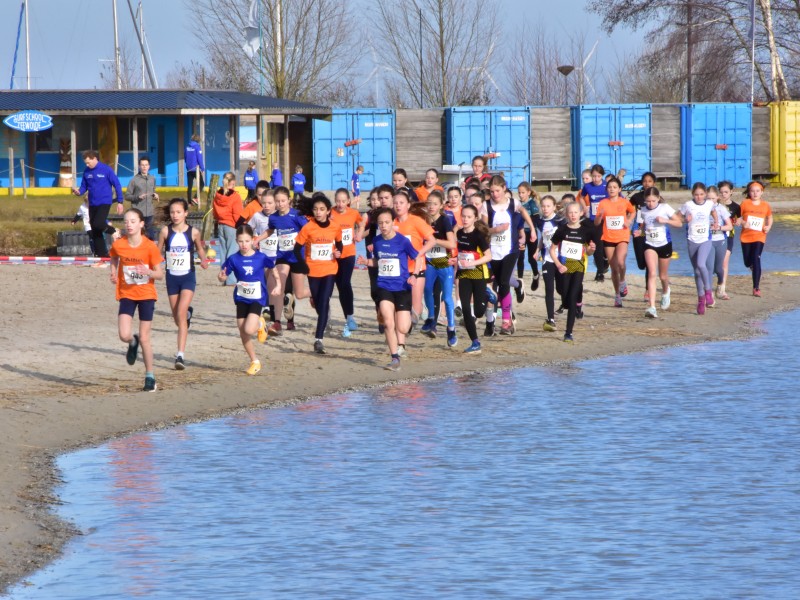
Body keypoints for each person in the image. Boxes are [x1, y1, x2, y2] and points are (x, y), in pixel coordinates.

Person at [357, 207, 422, 371]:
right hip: (384, 286)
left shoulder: (403, 241)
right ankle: (394, 358)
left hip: (401, 287)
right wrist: (366, 262)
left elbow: (418, 257)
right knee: (387, 321)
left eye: (387, 222)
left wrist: (414, 274)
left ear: (393, 222)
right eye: (380, 223)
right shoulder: (377, 242)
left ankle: (411, 315)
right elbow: (379, 262)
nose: (384, 225)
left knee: (403, 328)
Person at [109, 208, 165, 391]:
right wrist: (113, 272)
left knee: (145, 337)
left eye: (133, 221)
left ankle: (150, 377)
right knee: (124, 334)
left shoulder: (150, 247)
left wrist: (147, 272)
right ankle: (131, 342)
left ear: (141, 224)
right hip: (127, 293)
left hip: (146, 295)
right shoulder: (120, 244)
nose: (129, 225)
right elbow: (114, 257)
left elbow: (160, 274)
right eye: (126, 222)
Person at [157, 198, 212, 369]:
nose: (175, 215)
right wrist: (154, 266)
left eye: (178, 212)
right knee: (177, 318)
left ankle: (180, 355)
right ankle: (187, 315)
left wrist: (203, 260)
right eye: (172, 212)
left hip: (188, 277)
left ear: (186, 214)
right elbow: (157, 252)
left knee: (180, 313)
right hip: (171, 278)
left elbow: (200, 248)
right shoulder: (165, 232)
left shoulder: (193, 232)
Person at [218, 224, 273, 375]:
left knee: (249, 329)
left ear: (253, 240)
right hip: (241, 298)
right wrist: (221, 277)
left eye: (247, 241)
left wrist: (279, 284)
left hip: (257, 298)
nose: (244, 245)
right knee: (243, 332)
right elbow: (222, 273)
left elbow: (272, 267)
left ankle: (261, 323)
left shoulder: (260, 257)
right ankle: (254, 361)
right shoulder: (234, 259)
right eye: (241, 241)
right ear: (236, 241)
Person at [294, 193, 343, 354]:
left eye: (322, 209)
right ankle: (323, 315)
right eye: (315, 209)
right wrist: (302, 265)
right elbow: (296, 249)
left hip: (330, 269)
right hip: (313, 270)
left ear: (328, 211)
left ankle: (318, 339)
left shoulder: (335, 227)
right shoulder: (308, 227)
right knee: (319, 303)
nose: (318, 212)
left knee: (324, 299)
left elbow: (340, 244)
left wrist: (338, 253)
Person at [264, 186, 310, 334]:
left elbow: (309, 230)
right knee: (279, 287)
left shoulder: (296, 215)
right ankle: (277, 322)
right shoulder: (274, 217)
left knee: (300, 293)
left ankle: (317, 291)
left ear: (289, 201)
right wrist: (257, 239)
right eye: (277, 201)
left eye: (283, 200)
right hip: (282, 256)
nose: (280, 204)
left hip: (297, 257)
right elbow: (270, 230)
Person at [549, 202, 597, 342]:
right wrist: (558, 265)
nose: (573, 215)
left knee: (572, 298)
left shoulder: (585, 231)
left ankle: (568, 333)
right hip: (564, 268)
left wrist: (591, 249)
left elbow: (587, 252)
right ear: (566, 214)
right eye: (570, 212)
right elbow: (552, 250)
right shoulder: (562, 230)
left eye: (576, 212)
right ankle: (569, 304)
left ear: (581, 213)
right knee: (565, 299)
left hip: (578, 268)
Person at [485, 175, 526, 335]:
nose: (495, 194)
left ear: (504, 189)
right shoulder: (486, 205)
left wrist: (528, 232)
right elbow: (483, 229)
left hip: (510, 250)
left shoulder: (513, 204)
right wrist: (496, 230)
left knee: (503, 282)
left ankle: (506, 321)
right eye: (492, 191)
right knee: (496, 285)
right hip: (493, 250)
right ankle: (495, 321)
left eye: (497, 190)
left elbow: (523, 214)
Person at [637, 187, 683, 318]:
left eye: (653, 201)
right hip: (649, 244)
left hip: (664, 244)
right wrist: (638, 232)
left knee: (663, 276)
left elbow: (679, 223)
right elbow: (643, 227)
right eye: (648, 201)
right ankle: (652, 307)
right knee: (652, 273)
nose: (651, 203)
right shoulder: (643, 210)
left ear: (658, 198)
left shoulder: (665, 208)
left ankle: (665, 291)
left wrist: (666, 221)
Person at [453, 204, 492, 354]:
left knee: (479, 312)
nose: (465, 219)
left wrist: (472, 263)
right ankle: (475, 342)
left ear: (475, 218)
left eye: (469, 217)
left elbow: (488, 256)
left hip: (478, 274)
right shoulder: (458, 234)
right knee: (466, 309)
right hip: (464, 275)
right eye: (463, 216)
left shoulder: (478, 236)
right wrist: (454, 260)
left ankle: (488, 294)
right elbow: (458, 253)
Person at [393, 190, 437, 325]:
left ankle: (410, 323)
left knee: (415, 307)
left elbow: (432, 241)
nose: (398, 206)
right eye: (395, 203)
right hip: (398, 269)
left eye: (401, 203)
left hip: (416, 267)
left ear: (408, 205)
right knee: (400, 305)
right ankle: (402, 333)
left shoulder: (416, 221)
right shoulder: (391, 223)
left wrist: (418, 253)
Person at [421, 190, 458, 346]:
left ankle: (451, 328)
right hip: (429, 263)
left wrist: (434, 241)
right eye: (429, 204)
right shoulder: (423, 220)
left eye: (435, 204)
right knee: (427, 290)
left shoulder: (444, 221)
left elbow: (451, 244)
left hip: (444, 263)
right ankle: (431, 318)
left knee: (447, 298)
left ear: (441, 205)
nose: (431, 207)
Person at [71, 150, 124, 258]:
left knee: (99, 223)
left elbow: (117, 185)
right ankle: (102, 256)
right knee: (95, 229)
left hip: (104, 201)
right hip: (92, 203)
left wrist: (120, 201)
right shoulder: (86, 171)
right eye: (85, 163)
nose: (87, 165)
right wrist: (78, 192)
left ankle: (113, 231)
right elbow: (83, 188)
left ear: (95, 159)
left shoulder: (106, 170)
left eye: (88, 162)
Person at [594, 176, 635, 307]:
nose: (612, 189)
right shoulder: (603, 203)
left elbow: (632, 212)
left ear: (619, 189)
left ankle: (623, 281)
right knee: (613, 268)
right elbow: (596, 223)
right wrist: (599, 216)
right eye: (609, 187)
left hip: (622, 236)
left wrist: (629, 220)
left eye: (614, 187)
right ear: (606, 189)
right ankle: (617, 295)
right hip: (608, 237)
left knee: (621, 262)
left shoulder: (624, 202)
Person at [680, 182, 720, 315]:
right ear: (693, 194)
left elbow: (714, 212)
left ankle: (708, 292)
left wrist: (716, 222)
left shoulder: (709, 204)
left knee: (701, 264)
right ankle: (700, 299)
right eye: (696, 194)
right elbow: (679, 216)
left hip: (705, 239)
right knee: (697, 272)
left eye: (701, 194)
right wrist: (686, 219)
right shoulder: (688, 205)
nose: (699, 197)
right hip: (692, 240)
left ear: (705, 194)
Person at [330, 188, 362, 337]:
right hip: (334, 254)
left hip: (349, 253)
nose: (340, 204)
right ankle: (343, 317)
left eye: (343, 201)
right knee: (338, 285)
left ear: (348, 201)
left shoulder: (353, 213)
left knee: (345, 283)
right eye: (338, 201)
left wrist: (359, 233)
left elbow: (362, 223)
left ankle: (350, 317)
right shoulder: (331, 212)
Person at [534, 195, 566, 332]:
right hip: (547, 259)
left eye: (548, 206)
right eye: (543, 206)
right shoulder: (540, 221)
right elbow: (543, 237)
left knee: (561, 288)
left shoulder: (560, 221)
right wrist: (537, 250)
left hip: (560, 259)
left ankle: (572, 303)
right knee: (549, 289)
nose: (545, 209)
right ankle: (550, 319)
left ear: (554, 207)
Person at [739, 181, 773, 297]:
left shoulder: (765, 205)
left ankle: (756, 288)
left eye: (757, 191)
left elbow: (770, 217)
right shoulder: (745, 203)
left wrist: (768, 226)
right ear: (749, 192)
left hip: (760, 236)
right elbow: (737, 218)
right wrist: (743, 222)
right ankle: (752, 266)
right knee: (747, 262)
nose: (755, 193)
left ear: (762, 192)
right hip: (746, 237)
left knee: (756, 258)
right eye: (752, 191)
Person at [628, 171, 656, 296]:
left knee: (650, 263)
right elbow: (628, 210)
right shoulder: (636, 197)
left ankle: (648, 290)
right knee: (641, 264)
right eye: (645, 181)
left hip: (651, 232)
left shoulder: (658, 198)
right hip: (638, 231)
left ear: (654, 183)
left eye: (650, 181)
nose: (647, 183)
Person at [579, 164, 609, 281]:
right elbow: (581, 197)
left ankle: (603, 266)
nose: (596, 179)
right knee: (596, 245)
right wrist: (585, 207)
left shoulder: (607, 186)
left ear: (602, 175)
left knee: (603, 245)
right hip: (593, 219)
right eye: (594, 176)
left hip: (606, 219)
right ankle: (600, 271)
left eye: (598, 176)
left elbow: (618, 197)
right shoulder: (588, 186)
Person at [213, 172, 243, 286]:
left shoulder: (217, 195)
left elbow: (215, 212)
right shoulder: (235, 196)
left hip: (221, 224)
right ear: (233, 183)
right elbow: (237, 214)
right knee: (232, 252)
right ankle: (231, 279)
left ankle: (223, 277)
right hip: (232, 226)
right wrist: (241, 225)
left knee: (222, 252)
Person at [705, 185, 734, 306]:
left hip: (720, 240)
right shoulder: (703, 208)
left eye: (713, 198)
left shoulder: (721, 209)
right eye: (708, 198)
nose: (710, 201)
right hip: (708, 241)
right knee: (709, 268)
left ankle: (720, 285)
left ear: (717, 197)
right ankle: (709, 295)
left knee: (719, 269)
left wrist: (720, 227)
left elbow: (730, 226)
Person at [716, 180, 740, 300]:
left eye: (726, 192)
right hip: (714, 236)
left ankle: (722, 288)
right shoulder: (714, 205)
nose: (723, 194)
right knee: (715, 263)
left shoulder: (736, 207)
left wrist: (739, 222)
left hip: (729, 235)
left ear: (731, 192)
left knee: (725, 261)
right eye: (721, 192)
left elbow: (739, 220)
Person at [125, 156, 159, 235]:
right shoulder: (134, 180)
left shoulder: (152, 179)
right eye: (142, 165)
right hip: (138, 213)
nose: (144, 167)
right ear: (139, 166)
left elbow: (153, 192)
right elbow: (127, 196)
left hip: (150, 212)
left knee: (150, 236)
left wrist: (155, 195)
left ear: (149, 166)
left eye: (146, 165)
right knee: (139, 235)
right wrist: (137, 197)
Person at [517, 181, 541, 291]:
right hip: (520, 233)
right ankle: (520, 280)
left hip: (530, 233)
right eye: (519, 193)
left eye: (523, 193)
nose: (521, 195)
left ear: (528, 192)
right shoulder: (517, 204)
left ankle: (536, 275)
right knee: (520, 257)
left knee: (531, 258)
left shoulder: (532, 203)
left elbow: (536, 218)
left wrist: (534, 230)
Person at [184, 134, 205, 206]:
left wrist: (187, 165)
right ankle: (195, 198)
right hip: (195, 168)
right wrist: (202, 168)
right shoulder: (197, 147)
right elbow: (200, 158)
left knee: (189, 186)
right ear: (198, 140)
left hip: (189, 168)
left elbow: (185, 156)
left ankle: (189, 202)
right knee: (201, 184)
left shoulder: (187, 146)